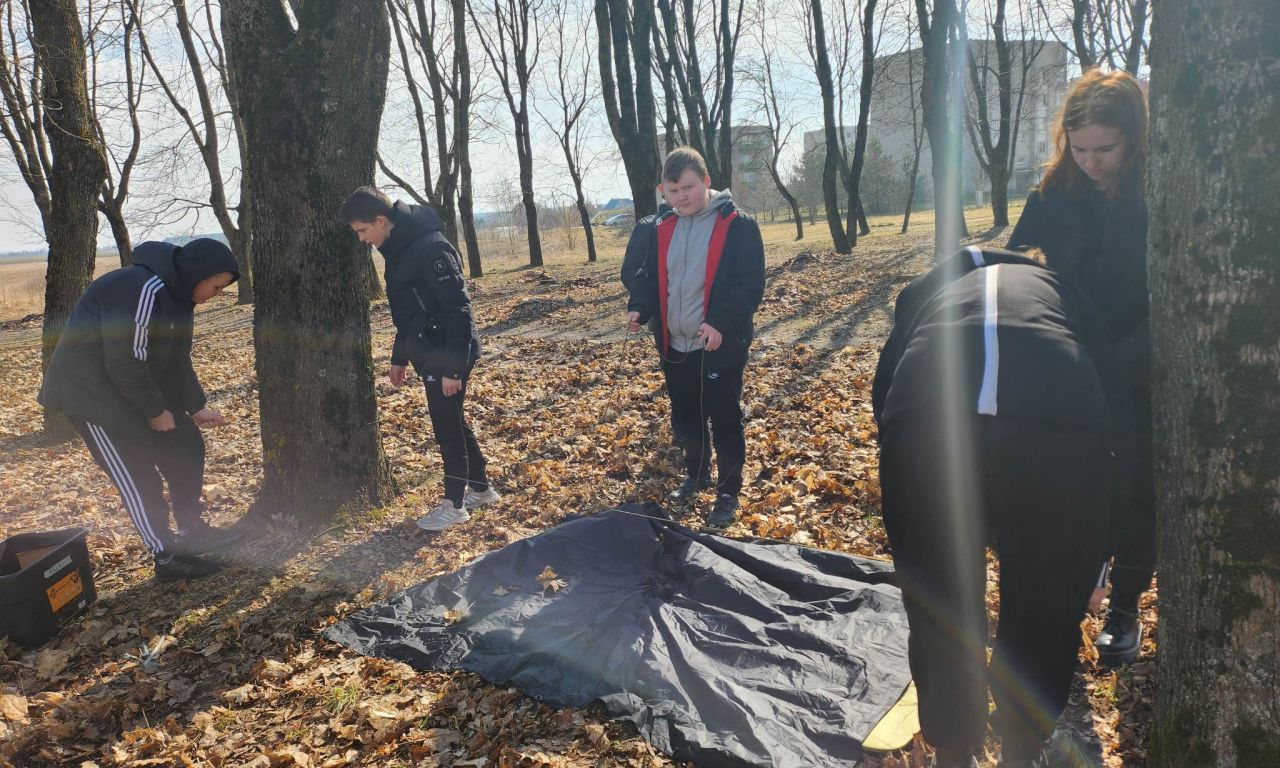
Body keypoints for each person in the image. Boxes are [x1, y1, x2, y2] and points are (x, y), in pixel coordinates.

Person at [873, 246, 1128, 768]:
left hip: (926, 420)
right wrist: (1099, 554)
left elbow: (884, 393)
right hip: (1056, 425)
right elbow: (1120, 411)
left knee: (939, 600)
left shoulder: (926, 291)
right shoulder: (1063, 291)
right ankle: (1021, 747)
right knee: (1044, 601)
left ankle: (953, 749)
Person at [1007, 68, 1151, 667]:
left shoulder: (1156, 193)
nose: (1091, 162)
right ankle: (1067, 593)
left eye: (1105, 150)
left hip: (1140, 361)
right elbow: (1017, 266)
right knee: (1067, 482)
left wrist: (1128, 355)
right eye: (1080, 148)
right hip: (1069, 359)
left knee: (1137, 484)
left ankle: (1125, 606)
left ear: (1133, 139)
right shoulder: (1054, 194)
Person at [39, 239, 244, 581]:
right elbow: (125, 360)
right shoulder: (142, 288)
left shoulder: (180, 298)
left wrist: (194, 407)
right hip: (92, 395)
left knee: (186, 444)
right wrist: (155, 411)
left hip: (130, 388)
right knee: (137, 475)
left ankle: (193, 530)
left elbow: (176, 359)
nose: (218, 294)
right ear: (199, 274)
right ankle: (166, 555)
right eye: (217, 286)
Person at [341, 187, 496, 532]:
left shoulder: (431, 248)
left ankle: (454, 505)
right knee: (453, 420)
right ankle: (482, 490)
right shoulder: (397, 250)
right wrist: (399, 358)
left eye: (362, 231)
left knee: (447, 428)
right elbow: (410, 314)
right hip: (428, 351)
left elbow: (458, 310)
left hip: (448, 353)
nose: (362, 239)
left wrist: (453, 368)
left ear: (380, 220)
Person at [626, 147, 765, 528]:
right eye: (673, 190)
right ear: (663, 191)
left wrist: (719, 322)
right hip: (676, 345)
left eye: (688, 187)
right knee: (686, 418)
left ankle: (728, 492)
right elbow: (649, 276)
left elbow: (749, 285)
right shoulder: (661, 228)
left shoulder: (737, 224)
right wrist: (640, 307)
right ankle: (697, 474)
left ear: (706, 182)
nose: (681, 197)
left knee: (724, 419)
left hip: (719, 344)